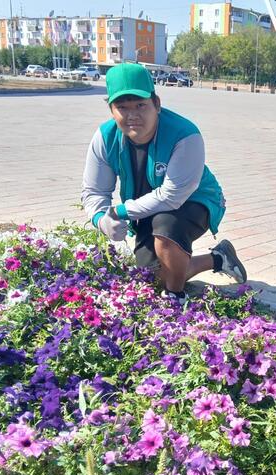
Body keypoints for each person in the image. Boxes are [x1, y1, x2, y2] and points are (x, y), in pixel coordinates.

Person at [81, 63, 246, 302]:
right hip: (147, 209)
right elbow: (93, 190)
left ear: (156, 104)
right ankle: (218, 258)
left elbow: (172, 196)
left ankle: (175, 297)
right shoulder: (105, 138)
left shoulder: (184, 133)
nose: (132, 115)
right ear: (111, 109)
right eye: (122, 107)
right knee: (151, 277)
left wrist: (119, 211)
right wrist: (100, 218)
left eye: (140, 105)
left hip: (196, 201)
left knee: (166, 228)